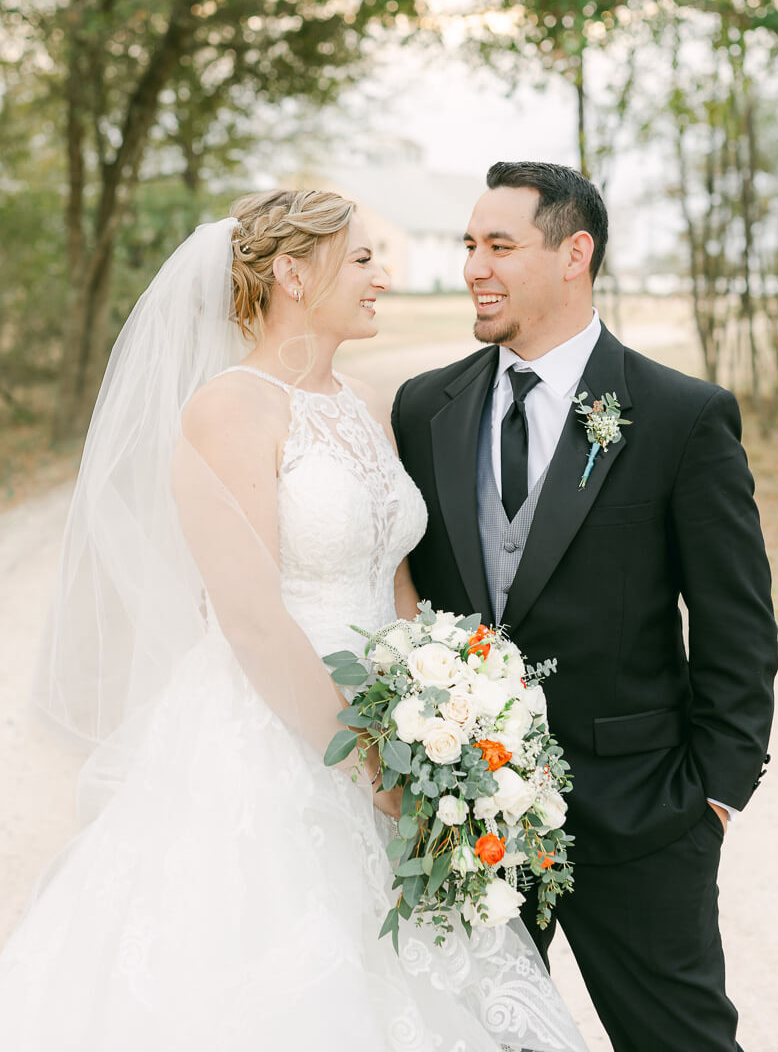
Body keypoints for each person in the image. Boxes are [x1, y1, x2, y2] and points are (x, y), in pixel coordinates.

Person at [0, 188, 587, 1052]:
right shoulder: (229, 408)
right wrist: (370, 765)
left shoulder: (363, 404)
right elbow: (252, 622)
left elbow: (396, 586)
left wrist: (450, 719)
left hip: (397, 731)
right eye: (361, 260)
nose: (383, 277)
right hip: (274, 742)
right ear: (291, 273)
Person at [391, 161, 778, 1052]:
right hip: (470, 813)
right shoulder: (425, 408)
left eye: (499, 246)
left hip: (641, 814)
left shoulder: (681, 415)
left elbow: (738, 625)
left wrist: (711, 797)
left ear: (575, 253)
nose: (473, 268)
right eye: (467, 245)